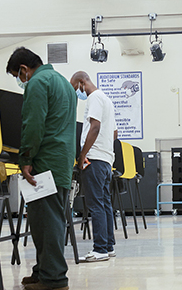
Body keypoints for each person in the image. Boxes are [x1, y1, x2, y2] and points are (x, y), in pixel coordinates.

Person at [7, 47, 76, 290]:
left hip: (45, 162)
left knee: (46, 223)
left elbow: (33, 124)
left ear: (24, 69)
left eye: (17, 75)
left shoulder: (38, 83)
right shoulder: (64, 84)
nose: (19, 80)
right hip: (62, 162)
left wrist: (25, 157)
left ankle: (54, 279)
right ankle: (43, 271)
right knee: (47, 221)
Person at [69, 71, 117, 262]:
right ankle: (108, 246)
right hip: (106, 160)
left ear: (82, 82)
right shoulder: (107, 99)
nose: (77, 93)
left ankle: (99, 250)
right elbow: (114, 133)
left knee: (95, 204)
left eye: (75, 88)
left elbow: (95, 127)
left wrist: (83, 155)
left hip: (94, 160)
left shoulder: (94, 98)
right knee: (105, 204)